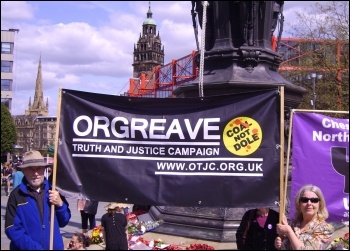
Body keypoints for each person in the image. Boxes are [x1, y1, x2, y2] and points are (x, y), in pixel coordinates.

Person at [4, 150, 71, 250]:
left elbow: (64, 221)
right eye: (31, 169)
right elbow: (12, 229)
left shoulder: (54, 191)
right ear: (24, 171)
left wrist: (60, 204)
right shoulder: (16, 195)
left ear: (44, 169)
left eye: (39, 168)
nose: (35, 173)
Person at [274, 184, 333, 250]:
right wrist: (279, 243)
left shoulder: (325, 229)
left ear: (320, 204)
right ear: (299, 204)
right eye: (304, 200)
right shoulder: (292, 225)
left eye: (314, 200)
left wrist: (289, 232)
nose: (309, 203)